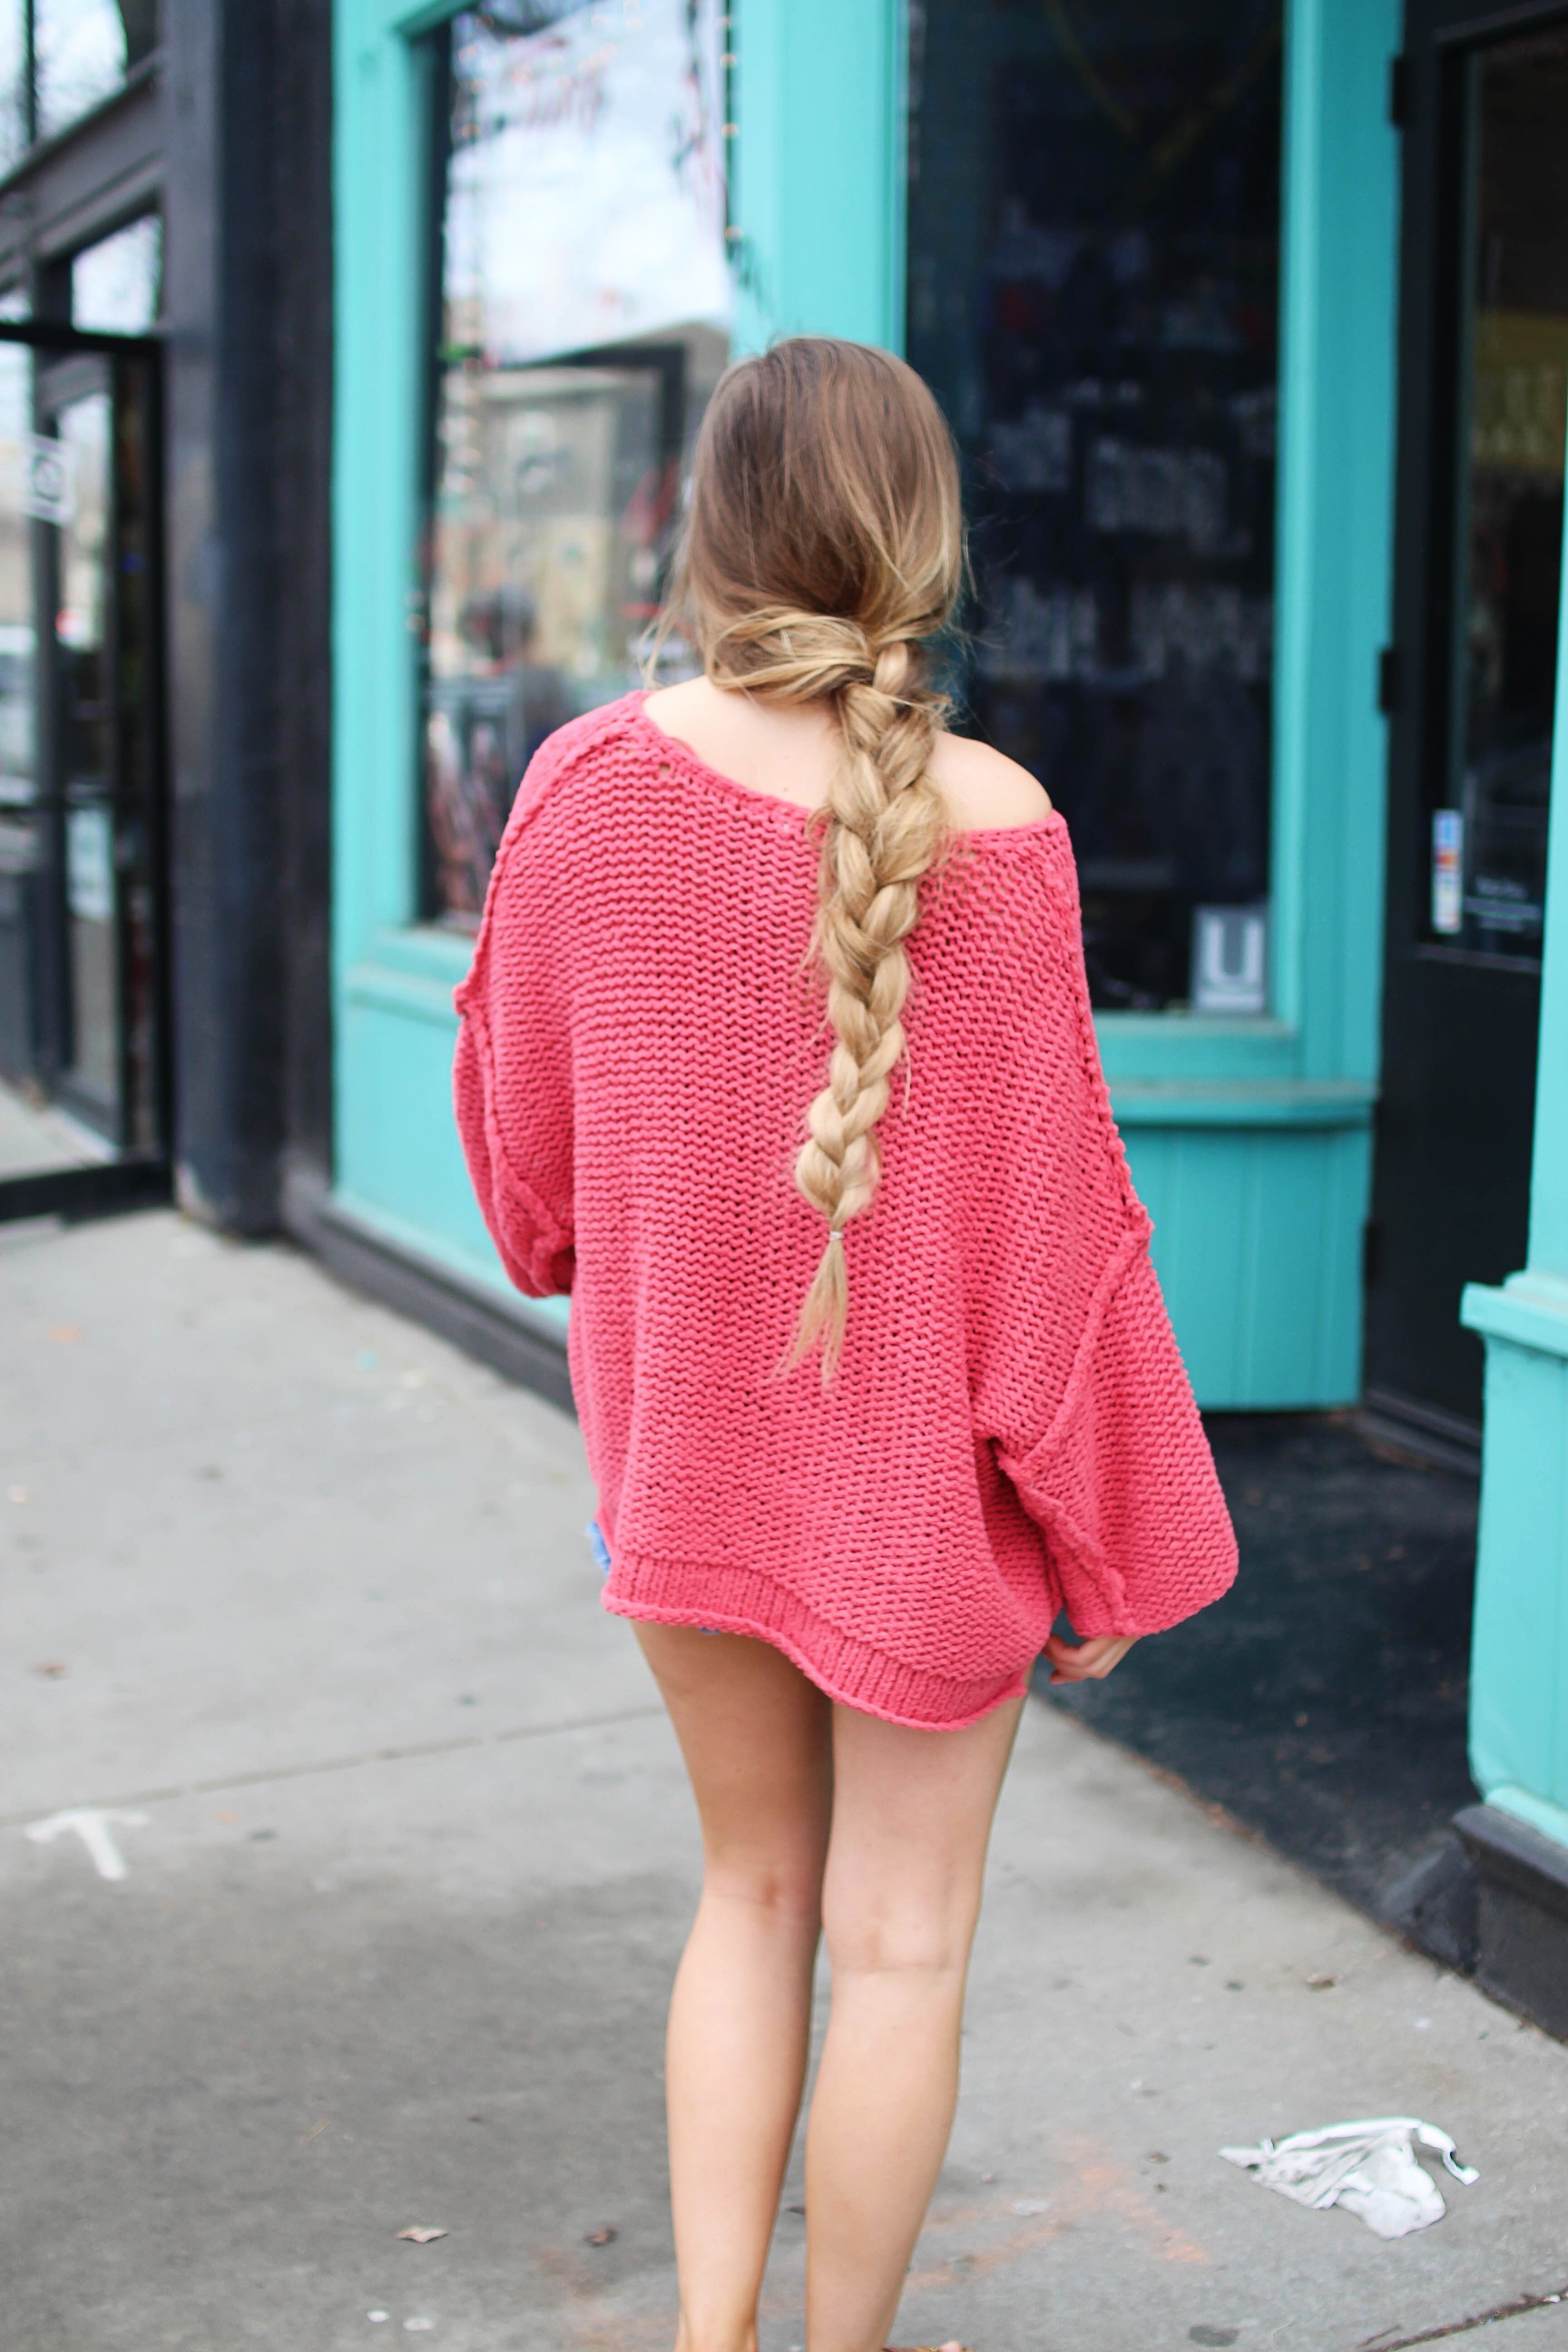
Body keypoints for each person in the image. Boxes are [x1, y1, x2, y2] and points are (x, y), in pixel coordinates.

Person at [453, 338, 1237, 2352]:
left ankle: (712, 2337)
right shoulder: (1009, 825)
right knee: (899, 1951)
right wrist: (1103, 1534)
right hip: (926, 1504)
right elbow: (1066, 1240)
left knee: (751, 1900)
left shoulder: (584, 787)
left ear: (707, 535)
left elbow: (523, 1172)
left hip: (685, 1456)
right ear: (929, 542)